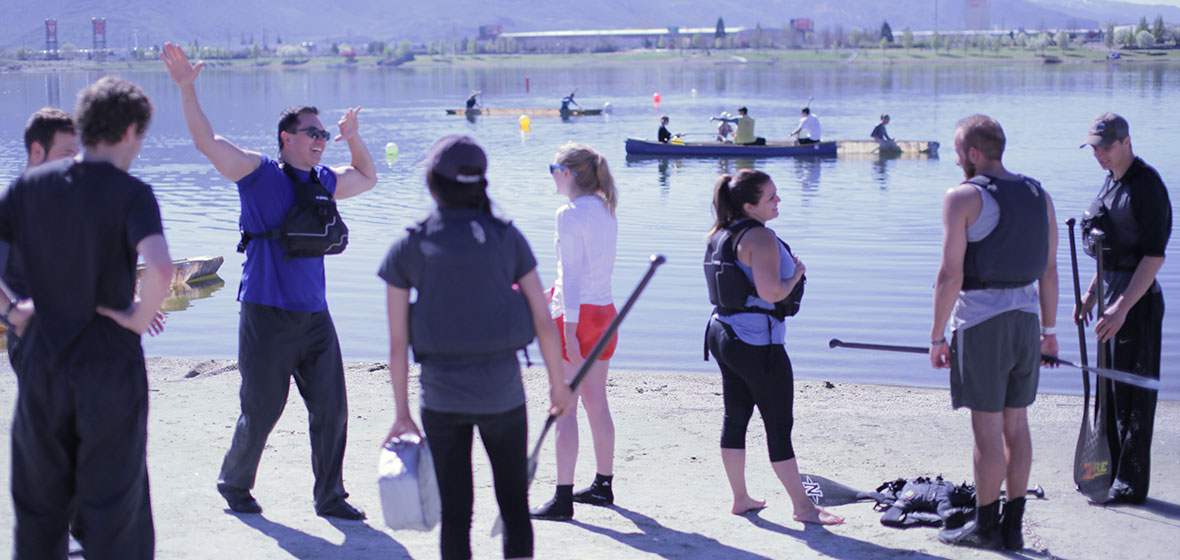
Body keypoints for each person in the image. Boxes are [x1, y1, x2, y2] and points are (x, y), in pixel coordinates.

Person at [161, 42, 376, 519]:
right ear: (286, 137)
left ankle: (331, 497)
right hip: (265, 311)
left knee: (332, 410)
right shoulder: (258, 174)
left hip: (315, 316)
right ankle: (234, 484)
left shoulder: (323, 179)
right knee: (261, 410)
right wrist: (186, 90)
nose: (320, 139)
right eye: (312, 132)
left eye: (323, 133)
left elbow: (367, 177)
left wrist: (352, 136)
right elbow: (207, 143)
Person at [0, 76, 173, 559]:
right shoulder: (132, 193)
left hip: (41, 360)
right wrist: (138, 318)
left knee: (38, 514)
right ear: (131, 132)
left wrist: (13, 310)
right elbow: (159, 267)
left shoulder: (28, 186)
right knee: (115, 513)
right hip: (109, 367)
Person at [381, 135, 574, 559]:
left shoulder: (410, 245)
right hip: (502, 396)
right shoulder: (506, 237)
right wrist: (558, 385)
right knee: (514, 506)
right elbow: (542, 318)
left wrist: (401, 413)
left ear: (433, 183)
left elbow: (398, 343)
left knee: (456, 513)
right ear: (481, 183)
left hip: (441, 399)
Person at [930, 115, 1058, 551]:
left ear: (972, 154)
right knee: (1016, 425)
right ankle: (1013, 526)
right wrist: (1050, 330)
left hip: (981, 324)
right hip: (1027, 322)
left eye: (956, 151)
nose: (955, 160)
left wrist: (936, 336)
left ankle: (985, 528)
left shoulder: (962, 197)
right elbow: (1050, 271)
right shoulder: (1040, 194)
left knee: (986, 431)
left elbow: (950, 275)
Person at [702, 169, 843, 526]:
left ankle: (741, 498)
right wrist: (795, 274)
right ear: (749, 205)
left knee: (735, 416)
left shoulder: (719, 233)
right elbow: (772, 293)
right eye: (771, 197)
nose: (778, 201)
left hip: (722, 333)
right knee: (778, 425)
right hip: (756, 344)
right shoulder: (760, 237)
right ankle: (804, 508)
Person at [1076, 113, 1170, 505]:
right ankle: (1108, 472)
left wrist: (1121, 308)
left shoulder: (1147, 186)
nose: (1099, 153)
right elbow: (1111, 249)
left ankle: (1131, 485)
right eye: (1094, 147)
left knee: (1133, 395)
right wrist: (1093, 295)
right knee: (1109, 391)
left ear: (1126, 141)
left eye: (1106, 146)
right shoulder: (1112, 179)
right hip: (1112, 300)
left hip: (1138, 304)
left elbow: (1152, 257)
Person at [531, 143, 620, 521]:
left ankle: (563, 498)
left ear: (568, 173)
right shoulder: (606, 208)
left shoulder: (568, 214)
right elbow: (589, 272)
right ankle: (603, 484)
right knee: (597, 404)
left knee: (564, 407)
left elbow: (570, 273)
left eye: (553, 167)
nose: (550, 174)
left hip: (575, 319)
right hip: (604, 314)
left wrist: (567, 333)